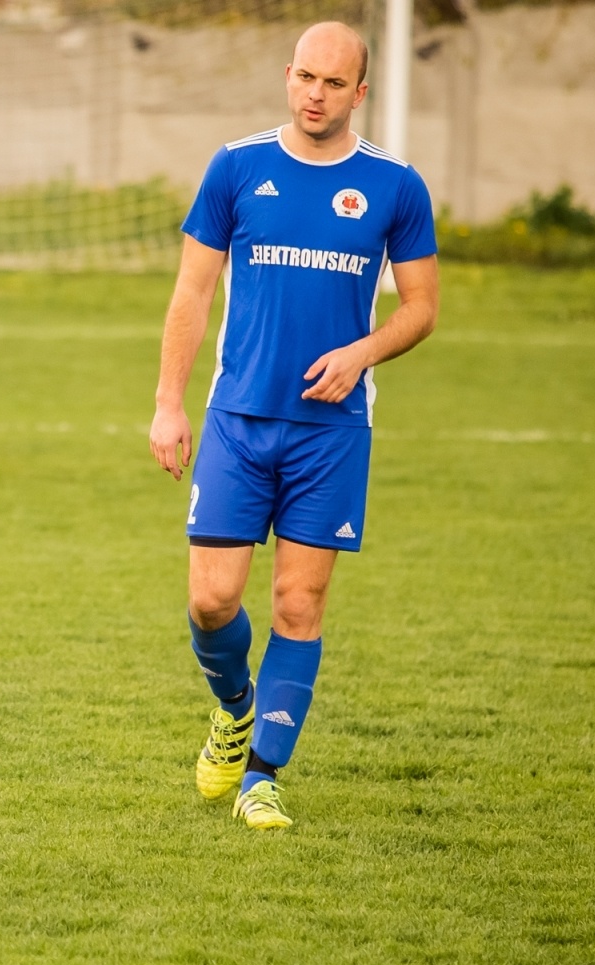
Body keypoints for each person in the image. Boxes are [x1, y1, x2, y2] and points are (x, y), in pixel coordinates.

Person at [150, 22, 439, 830]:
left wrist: (364, 353)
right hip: (238, 420)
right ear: (288, 76)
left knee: (298, 608)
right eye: (305, 77)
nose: (315, 94)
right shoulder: (237, 167)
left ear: (360, 92)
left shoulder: (395, 186)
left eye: (333, 83)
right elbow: (192, 296)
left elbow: (422, 309)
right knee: (211, 602)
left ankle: (262, 779)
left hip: (333, 431)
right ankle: (235, 707)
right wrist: (170, 403)